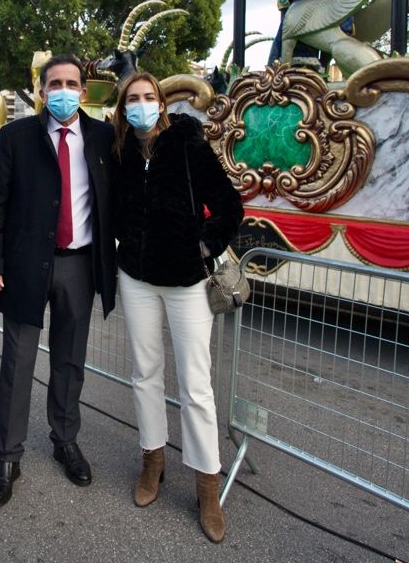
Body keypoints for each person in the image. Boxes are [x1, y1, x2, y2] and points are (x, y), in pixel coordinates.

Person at [0, 53, 117, 508]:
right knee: (17, 363)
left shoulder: (102, 137)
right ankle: (7, 456)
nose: (63, 91)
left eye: (71, 83)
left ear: (83, 89)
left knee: (70, 360)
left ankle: (64, 439)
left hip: (80, 265)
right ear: (40, 91)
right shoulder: (16, 136)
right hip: (24, 265)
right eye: (54, 83)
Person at [109, 72, 242, 543]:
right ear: (123, 108)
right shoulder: (120, 151)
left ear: (162, 104)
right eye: (133, 99)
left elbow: (228, 204)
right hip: (137, 277)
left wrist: (204, 246)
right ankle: (153, 460)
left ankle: (208, 482)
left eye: (149, 97)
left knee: (195, 382)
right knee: (145, 371)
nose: (141, 105)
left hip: (186, 281)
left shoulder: (187, 144)